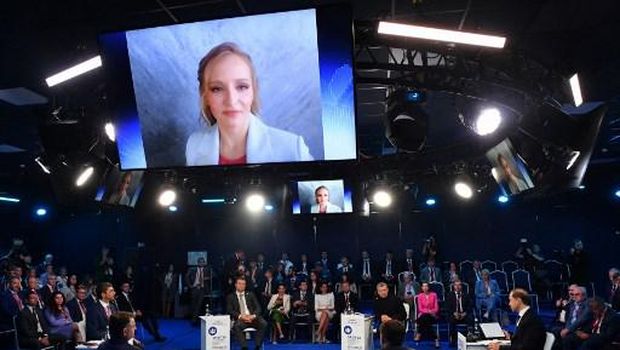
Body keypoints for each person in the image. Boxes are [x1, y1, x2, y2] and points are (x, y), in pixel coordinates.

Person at [186, 42, 313, 166]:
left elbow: (327, 186)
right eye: (217, 89)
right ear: (205, 96)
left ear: (254, 90)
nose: (231, 100)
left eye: (242, 87)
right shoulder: (194, 145)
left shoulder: (292, 148)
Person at [226, 276, 267, 350]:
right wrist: (241, 316)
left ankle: (257, 346)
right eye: (239, 283)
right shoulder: (230, 296)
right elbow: (230, 310)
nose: (241, 286)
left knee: (263, 323)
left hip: (252, 318)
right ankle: (244, 347)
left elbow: (258, 308)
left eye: (243, 284)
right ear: (235, 285)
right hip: (241, 319)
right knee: (237, 326)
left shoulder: (250, 294)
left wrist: (253, 316)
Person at [447, 280, 473, 346]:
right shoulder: (450, 295)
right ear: (454, 286)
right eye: (456, 285)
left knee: (470, 317)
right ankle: (453, 339)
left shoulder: (466, 295)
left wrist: (465, 313)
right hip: (454, 314)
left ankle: (470, 336)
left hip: (464, 314)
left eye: (459, 285)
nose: (457, 287)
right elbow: (447, 307)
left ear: (461, 286)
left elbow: (469, 306)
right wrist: (454, 313)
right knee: (451, 320)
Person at [415, 282, 440, 348]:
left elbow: (436, 308)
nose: (425, 288)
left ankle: (419, 333)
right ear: (422, 288)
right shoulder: (420, 296)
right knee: (425, 318)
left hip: (432, 316)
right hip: (425, 315)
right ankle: (435, 338)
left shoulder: (434, 295)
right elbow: (420, 309)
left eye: (426, 286)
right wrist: (429, 311)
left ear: (428, 287)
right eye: (423, 286)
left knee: (424, 319)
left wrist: (430, 312)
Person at [185, 257, 209, 325]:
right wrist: (190, 285)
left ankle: (194, 320)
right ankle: (193, 319)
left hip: (202, 289)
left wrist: (207, 278)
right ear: (198, 263)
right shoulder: (192, 269)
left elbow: (213, 276)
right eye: (200, 262)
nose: (201, 263)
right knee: (193, 305)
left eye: (202, 262)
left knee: (199, 305)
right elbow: (187, 277)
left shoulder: (207, 270)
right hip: (194, 288)